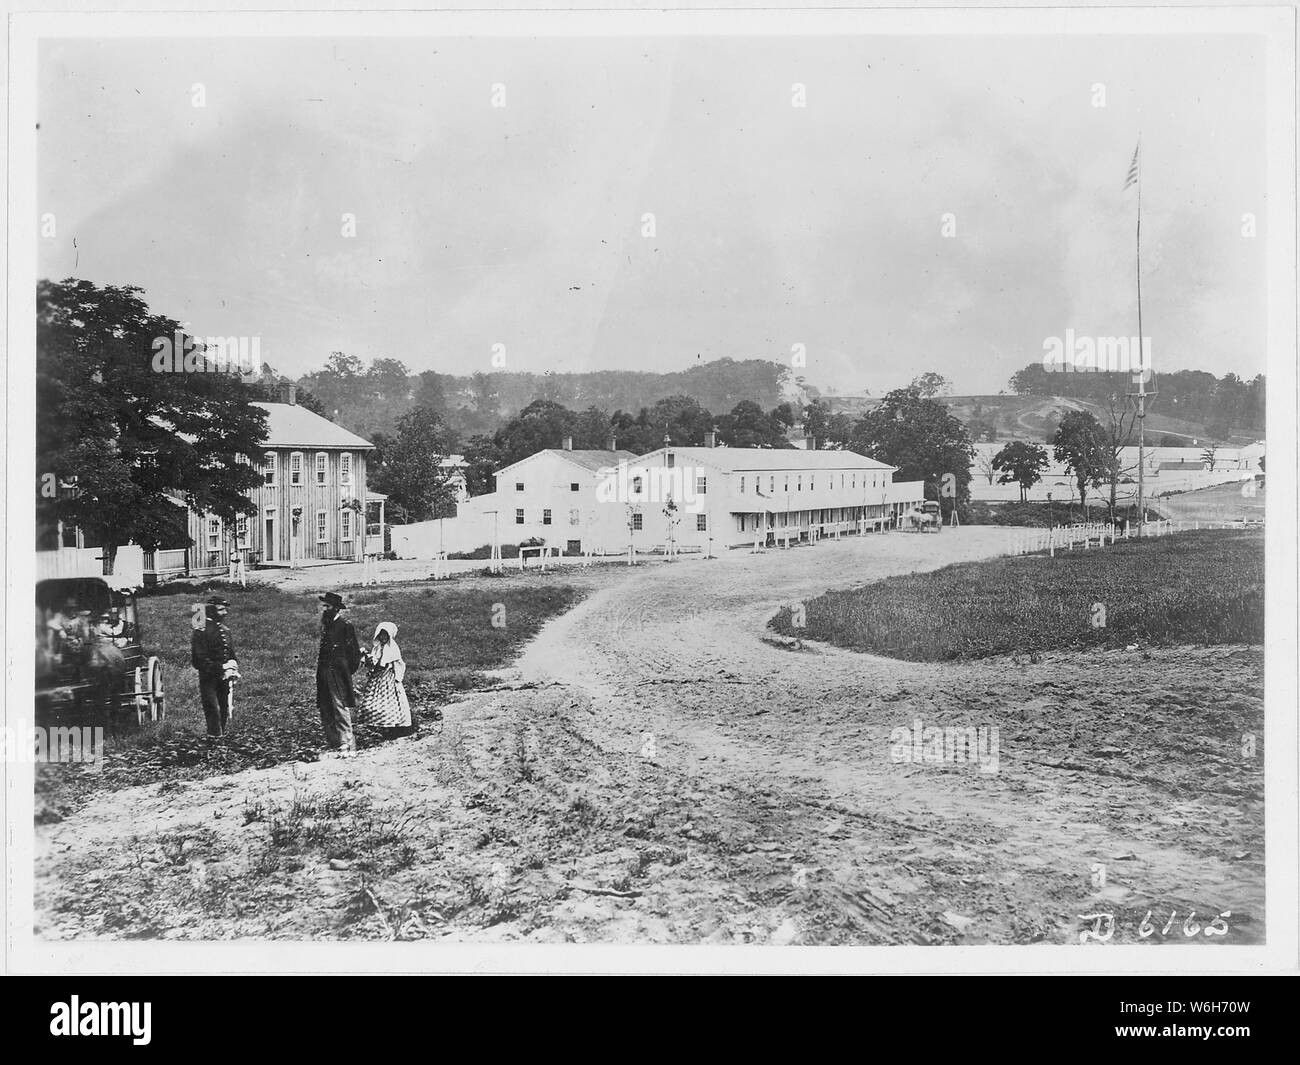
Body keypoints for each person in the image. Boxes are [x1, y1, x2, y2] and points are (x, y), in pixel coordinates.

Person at [316, 591, 362, 755]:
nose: (324, 609)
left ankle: (348, 742)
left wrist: (345, 671)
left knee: (340, 707)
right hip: (324, 674)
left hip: (338, 675)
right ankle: (334, 741)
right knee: (326, 706)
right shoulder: (327, 626)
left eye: (327, 606)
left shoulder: (344, 626)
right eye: (324, 606)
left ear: (335, 608)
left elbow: (354, 654)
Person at [356, 622, 413, 740]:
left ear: (389, 636)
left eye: (385, 635)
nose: (383, 637)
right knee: (374, 702)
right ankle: (377, 726)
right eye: (381, 635)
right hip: (378, 678)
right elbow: (374, 663)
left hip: (388, 678)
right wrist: (367, 658)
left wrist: (377, 664)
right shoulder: (377, 648)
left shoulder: (392, 648)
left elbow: (386, 664)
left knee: (390, 702)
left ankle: (393, 728)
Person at [191, 595, 237, 739]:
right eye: (221, 610)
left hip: (224, 677)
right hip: (209, 677)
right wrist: (220, 667)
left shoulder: (225, 630)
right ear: (210, 611)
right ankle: (214, 737)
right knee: (212, 707)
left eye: (225, 609)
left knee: (224, 708)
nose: (225, 613)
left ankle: (220, 736)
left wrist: (233, 665)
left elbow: (230, 652)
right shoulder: (201, 632)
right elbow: (198, 660)